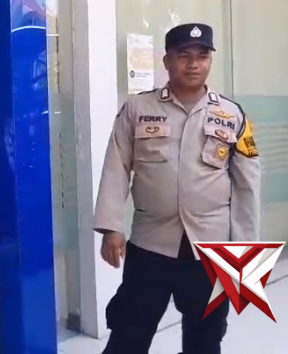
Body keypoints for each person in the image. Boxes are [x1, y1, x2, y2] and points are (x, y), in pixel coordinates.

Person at [93, 23, 261, 354]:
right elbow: (116, 167)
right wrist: (111, 227)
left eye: (202, 56)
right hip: (151, 244)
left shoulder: (232, 115)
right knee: (129, 332)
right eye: (184, 56)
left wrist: (245, 249)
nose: (193, 64)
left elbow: (248, 184)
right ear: (167, 60)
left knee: (205, 338)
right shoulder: (138, 109)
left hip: (211, 248)